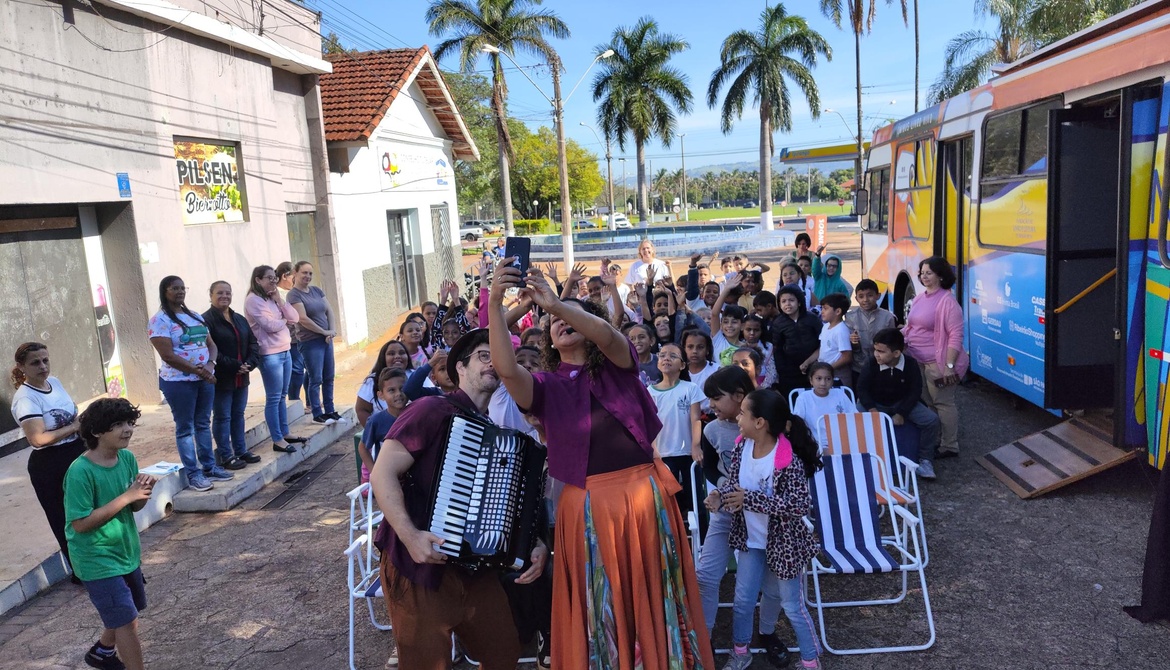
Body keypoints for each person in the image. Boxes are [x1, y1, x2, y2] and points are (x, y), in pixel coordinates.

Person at [487, 264, 715, 669]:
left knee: (654, 593)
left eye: (569, 318)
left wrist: (559, 303)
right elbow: (505, 369)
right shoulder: (544, 387)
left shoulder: (619, 365)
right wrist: (493, 304)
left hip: (644, 497)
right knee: (601, 603)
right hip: (587, 505)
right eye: (552, 323)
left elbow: (608, 333)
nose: (560, 323)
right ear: (547, 343)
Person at [368, 329, 548, 668]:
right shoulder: (430, 410)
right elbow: (382, 473)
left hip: (477, 571)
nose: (494, 362)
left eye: (499, 355)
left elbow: (510, 507)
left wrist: (533, 543)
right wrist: (411, 537)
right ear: (459, 369)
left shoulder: (503, 437)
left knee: (504, 653)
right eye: (484, 355)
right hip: (418, 566)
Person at [707, 389, 823, 670]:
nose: (738, 417)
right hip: (750, 542)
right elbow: (735, 486)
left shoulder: (787, 460)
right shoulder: (740, 447)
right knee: (742, 601)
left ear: (760, 422)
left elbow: (798, 505)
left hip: (784, 546)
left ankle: (811, 661)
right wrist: (721, 498)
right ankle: (740, 651)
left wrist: (750, 499)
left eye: (743, 413)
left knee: (792, 606)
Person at [695, 367, 789, 667]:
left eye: (716, 399)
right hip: (727, 513)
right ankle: (705, 638)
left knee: (772, 584)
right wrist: (722, 490)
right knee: (706, 575)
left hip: (768, 519)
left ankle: (767, 632)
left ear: (739, 397)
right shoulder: (712, 430)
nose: (711, 405)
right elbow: (710, 467)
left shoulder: (772, 426)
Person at [64, 398, 155, 670]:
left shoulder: (126, 457)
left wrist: (141, 493)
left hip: (126, 550)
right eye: (117, 425)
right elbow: (80, 524)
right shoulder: (80, 472)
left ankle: (102, 651)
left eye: (130, 423)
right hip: (96, 559)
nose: (127, 429)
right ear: (96, 432)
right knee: (125, 621)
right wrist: (127, 497)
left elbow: (135, 505)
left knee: (129, 612)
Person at [149, 276, 234, 492]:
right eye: (174, 288)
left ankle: (209, 466)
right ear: (164, 291)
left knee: (203, 423)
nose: (180, 292)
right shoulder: (159, 321)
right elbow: (168, 355)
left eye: (182, 288)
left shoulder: (195, 316)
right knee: (185, 428)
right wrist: (200, 372)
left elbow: (210, 345)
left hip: (204, 380)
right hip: (179, 383)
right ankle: (193, 474)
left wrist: (211, 364)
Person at [10, 342, 86, 576]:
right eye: (35, 362)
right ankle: (81, 572)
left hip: (76, 451)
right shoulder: (25, 398)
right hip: (50, 464)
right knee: (65, 517)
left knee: (88, 509)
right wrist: (74, 427)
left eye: (45, 360)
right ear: (22, 367)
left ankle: (100, 562)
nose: (42, 366)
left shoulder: (55, 382)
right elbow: (37, 439)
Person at [902, 257, 968, 458]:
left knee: (943, 403)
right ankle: (938, 439)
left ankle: (949, 445)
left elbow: (956, 336)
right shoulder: (921, 297)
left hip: (937, 364)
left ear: (940, 275)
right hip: (918, 360)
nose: (924, 276)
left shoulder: (948, 302)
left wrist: (949, 366)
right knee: (930, 403)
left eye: (928, 273)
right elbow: (912, 325)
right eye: (922, 273)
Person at [856, 328, 942, 478]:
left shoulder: (910, 364)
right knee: (856, 416)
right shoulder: (871, 363)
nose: (876, 354)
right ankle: (862, 457)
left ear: (896, 353)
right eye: (875, 350)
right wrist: (872, 409)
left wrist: (902, 412)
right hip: (875, 404)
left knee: (931, 420)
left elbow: (915, 391)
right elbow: (862, 389)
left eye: (881, 351)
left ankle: (925, 460)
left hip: (901, 403)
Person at [244, 265, 304, 455]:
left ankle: (284, 432)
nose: (273, 281)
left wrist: (280, 302)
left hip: (285, 350)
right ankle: (277, 438)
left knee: (282, 395)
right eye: (268, 278)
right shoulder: (253, 301)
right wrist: (284, 321)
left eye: (274, 278)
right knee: (273, 397)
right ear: (257, 280)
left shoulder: (272, 298)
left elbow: (295, 317)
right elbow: (269, 325)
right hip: (269, 354)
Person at [202, 281, 262, 470]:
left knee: (238, 414)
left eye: (228, 293)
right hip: (221, 378)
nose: (224, 296)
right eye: (220, 293)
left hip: (241, 377)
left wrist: (250, 363)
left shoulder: (239, 318)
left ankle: (241, 450)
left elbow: (253, 343)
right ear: (210, 295)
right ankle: (226, 456)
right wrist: (235, 365)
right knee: (222, 417)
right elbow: (209, 350)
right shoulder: (205, 321)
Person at [648, 342, 704, 524]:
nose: (666, 358)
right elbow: (649, 425)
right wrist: (654, 451)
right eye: (662, 355)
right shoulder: (649, 392)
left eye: (673, 356)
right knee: (667, 501)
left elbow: (696, 419)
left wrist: (696, 446)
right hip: (663, 455)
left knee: (695, 497)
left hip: (688, 454)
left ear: (682, 365)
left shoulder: (690, 388)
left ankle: (701, 541)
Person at [287, 261, 341, 426]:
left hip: (325, 340)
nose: (307, 276)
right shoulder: (293, 295)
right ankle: (317, 413)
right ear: (294, 273)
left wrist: (331, 331)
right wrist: (323, 332)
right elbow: (302, 319)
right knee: (315, 378)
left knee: (329, 376)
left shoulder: (316, 290)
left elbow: (329, 310)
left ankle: (330, 410)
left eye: (310, 273)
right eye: (304, 272)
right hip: (310, 341)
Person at [357, 368, 408, 484]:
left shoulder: (416, 414)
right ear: (381, 395)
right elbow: (363, 447)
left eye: (402, 389)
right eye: (391, 390)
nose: (398, 394)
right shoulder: (376, 421)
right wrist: (375, 472)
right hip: (390, 478)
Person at [771, 286, 823, 397]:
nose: (787, 304)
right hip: (789, 373)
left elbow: (822, 343)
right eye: (783, 301)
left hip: (813, 368)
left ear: (799, 302)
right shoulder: (778, 323)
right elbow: (777, 349)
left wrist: (809, 362)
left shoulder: (812, 319)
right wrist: (783, 371)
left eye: (791, 300)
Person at [792, 362, 858, 443]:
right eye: (819, 378)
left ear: (832, 381)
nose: (823, 383)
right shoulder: (804, 398)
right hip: (815, 442)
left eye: (828, 379)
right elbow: (798, 424)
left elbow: (855, 417)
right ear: (811, 380)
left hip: (843, 441)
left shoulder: (840, 394)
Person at [844, 279, 896, 380]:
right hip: (858, 367)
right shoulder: (850, 317)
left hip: (883, 366)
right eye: (861, 296)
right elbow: (848, 346)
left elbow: (892, 343)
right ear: (856, 298)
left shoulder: (887, 317)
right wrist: (854, 342)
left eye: (870, 295)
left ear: (878, 296)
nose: (865, 300)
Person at [275, 261, 308, 412]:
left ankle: (309, 402)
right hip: (291, 339)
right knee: (296, 372)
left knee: (309, 371)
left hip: (301, 336)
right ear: (284, 276)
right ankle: (294, 401)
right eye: (293, 277)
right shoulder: (279, 295)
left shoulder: (293, 292)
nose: (295, 281)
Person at [355, 341, 412, 426]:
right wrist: (373, 431)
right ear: (383, 358)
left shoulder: (417, 376)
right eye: (391, 354)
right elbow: (361, 409)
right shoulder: (372, 381)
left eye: (402, 353)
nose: (397, 356)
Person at [804, 293, 854, 388]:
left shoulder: (841, 330)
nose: (822, 311)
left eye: (825, 308)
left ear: (838, 311)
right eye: (822, 308)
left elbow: (847, 357)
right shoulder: (825, 326)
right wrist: (807, 362)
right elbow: (821, 349)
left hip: (838, 375)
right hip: (824, 372)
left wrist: (827, 369)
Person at [683, 329, 719, 414]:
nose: (694, 351)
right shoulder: (679, 371)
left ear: (707, 350)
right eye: (690, 347)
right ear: (684, 348)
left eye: (700, 347)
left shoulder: (716, 371)